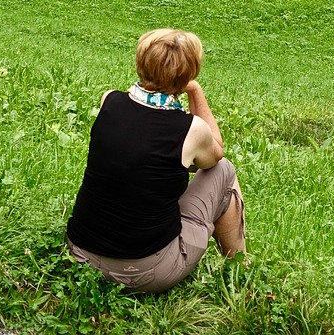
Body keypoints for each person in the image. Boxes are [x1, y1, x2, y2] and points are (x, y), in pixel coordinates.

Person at [65, 28, 245, 294]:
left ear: (140, 62)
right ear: (189, 74)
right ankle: (242, 271)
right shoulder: (191, 131)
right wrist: (195, 91)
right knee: (224, 170)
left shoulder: (109, 101)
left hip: (79, 254)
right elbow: (215, 153)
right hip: (144, 272)